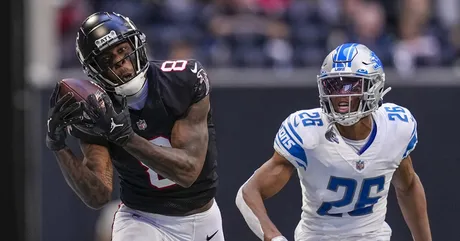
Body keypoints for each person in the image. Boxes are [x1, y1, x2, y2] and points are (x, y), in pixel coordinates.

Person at [45, 12, 224, 241]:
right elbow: (97, 196)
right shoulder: (94, 108)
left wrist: (125, 137)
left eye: (122, 50)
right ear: (94, 69)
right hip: (142, 219)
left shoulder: (183, 81)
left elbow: (187, 171)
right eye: (108, 60)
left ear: (136, 44)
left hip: (203, 217)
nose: (121, 62)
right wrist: (59, 147)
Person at [235, 43, 432, 241]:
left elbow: (408, 186)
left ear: (374, 85)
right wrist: (274, 238)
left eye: (350, 85)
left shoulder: (395, 126)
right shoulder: (308, 132)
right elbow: (249, 192)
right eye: (334, 86)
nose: (341, 96)